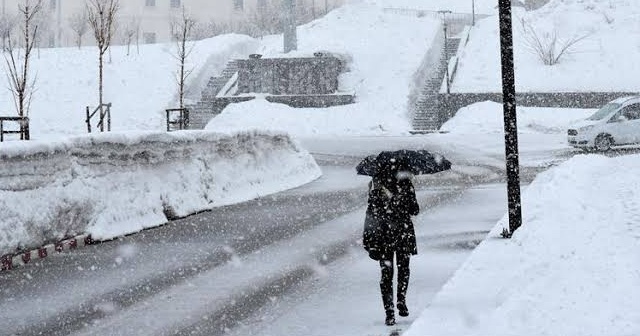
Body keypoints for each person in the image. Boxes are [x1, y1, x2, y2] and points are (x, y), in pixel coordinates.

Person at [364, 169, 419, 326]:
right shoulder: (406, 183)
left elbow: (371, 214)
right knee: (403, 269)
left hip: (383, 235)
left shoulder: (376, 185)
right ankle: (401, 299)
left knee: (386, 275)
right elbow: (415, 210)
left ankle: (389, 312)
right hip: (403, 233)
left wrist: (369, 239)